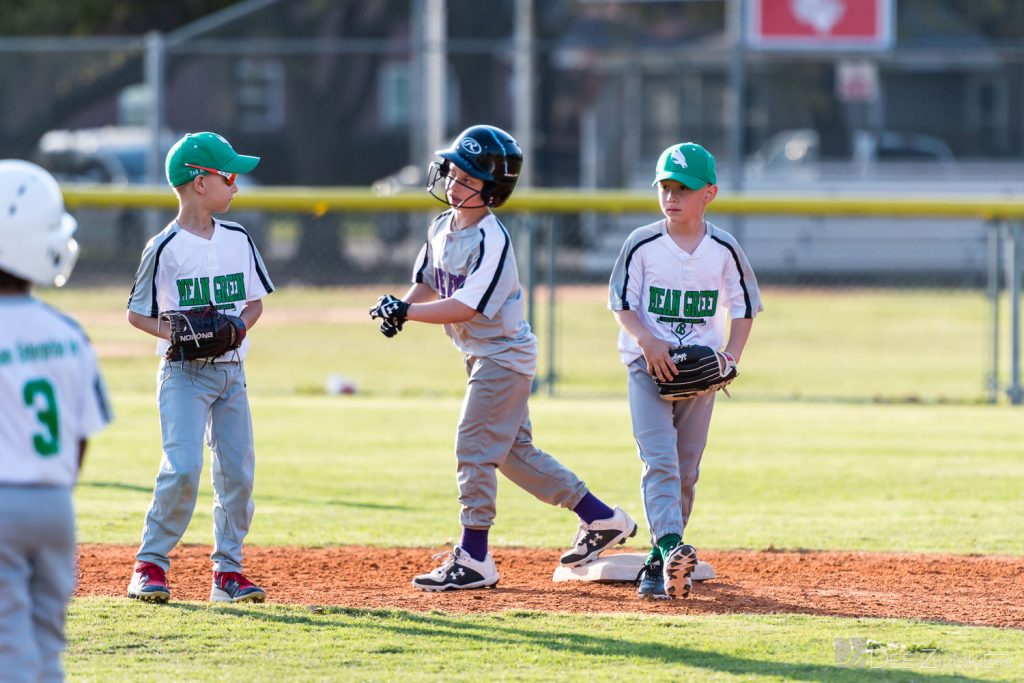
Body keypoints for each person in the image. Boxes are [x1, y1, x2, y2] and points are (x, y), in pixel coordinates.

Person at [370, 125, 637, 591]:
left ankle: (475, 557)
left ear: (491, 191)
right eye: (453, 173)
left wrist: (410, 311)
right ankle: (601, 518)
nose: (453, 184)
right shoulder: (441, 226)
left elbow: (466, 306)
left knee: (473, 448)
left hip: (503, 357)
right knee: (515, 455)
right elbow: (429, 281)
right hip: (482, 355)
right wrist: (403, 308)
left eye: (468, 179)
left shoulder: (493, 240)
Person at [608, 142, 762, 600]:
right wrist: (647, 340)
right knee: (659, 459)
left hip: (701, 374)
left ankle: (659, 562)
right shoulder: (642, 243)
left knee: (686, 468)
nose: (672, 196)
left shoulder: (723, 248)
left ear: (709, 193)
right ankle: (673, 545)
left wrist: (731, 357)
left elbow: (746, 307)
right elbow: (620, 303)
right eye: (665, 187)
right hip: (648, 369)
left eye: (684, 188)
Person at [125, 132, 273, 604]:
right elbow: (136, 314)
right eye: (228, 176)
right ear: (198, 182)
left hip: (232, 373)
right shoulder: (164, 246)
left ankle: (227, 573)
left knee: (237, 475)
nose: (236, 185)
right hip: (183, 375)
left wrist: (237, 329)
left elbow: (254, 304)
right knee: (183, 468)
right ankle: (150, 565)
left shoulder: (238, 238)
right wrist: (182, 333)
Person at [0, 160, 112, 681]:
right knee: (47, 643)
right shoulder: (68, 332)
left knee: (8, 647)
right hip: (54, 504)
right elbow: (82, 433)